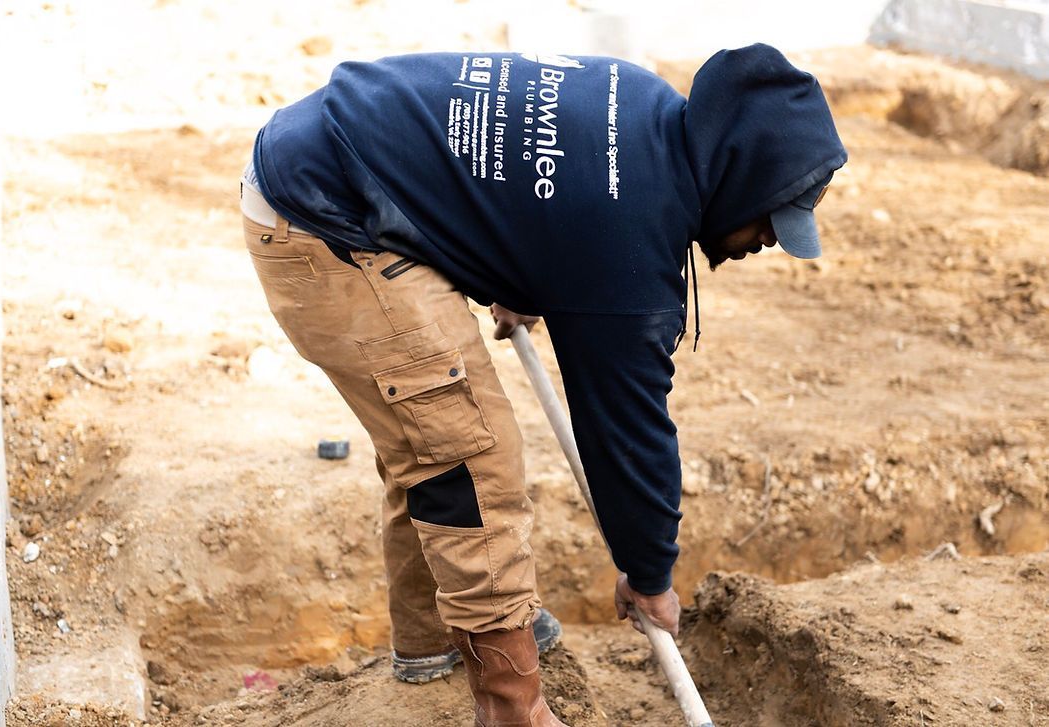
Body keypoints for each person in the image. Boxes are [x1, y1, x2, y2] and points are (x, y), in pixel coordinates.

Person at [240, 43, 846, 727]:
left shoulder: (641, 106)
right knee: (468, 453)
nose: (769, 237)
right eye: (771, 215)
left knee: (431, 438)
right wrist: (648, 574)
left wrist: (518, 271)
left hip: (333, 161)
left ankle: (432, 641)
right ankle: (512, 710)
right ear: (739, 173)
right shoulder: (631, 236)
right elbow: (627, 428)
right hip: (324, 216)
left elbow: (526, 183)